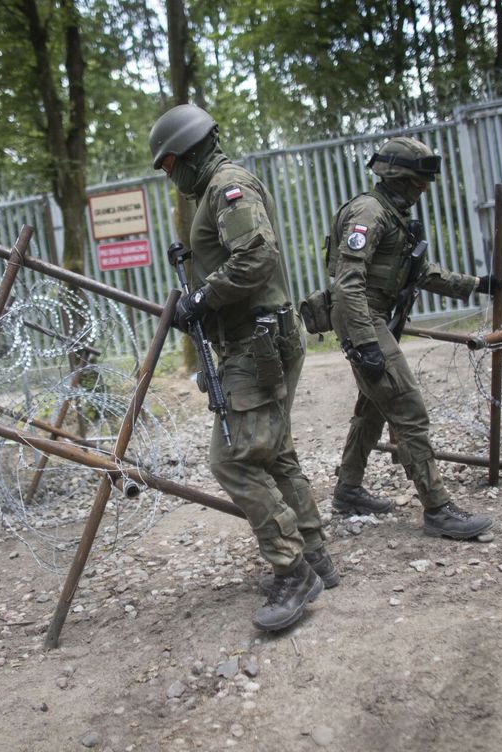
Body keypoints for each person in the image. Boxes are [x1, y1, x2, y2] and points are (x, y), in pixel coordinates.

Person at [149, 104, 337, 632]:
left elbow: (257, 259)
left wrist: (202, 298)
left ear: (186, 153)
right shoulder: (213, 192)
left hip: (256, 343)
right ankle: (316, 555)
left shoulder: (228, 187)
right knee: (274, 450)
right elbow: (234, 261)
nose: (169, 176)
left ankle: (293, 570)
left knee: (231, 460)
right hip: (257, 337)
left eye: (167, 165)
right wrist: (199, 292)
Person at [324, 136, 502, 540]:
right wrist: (367, 342)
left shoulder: (397, 214)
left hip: (372, 319)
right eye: (419, 183)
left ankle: (348, 490)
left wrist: (477, 284)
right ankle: (438, 508)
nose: (423, 190)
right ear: (399, 177)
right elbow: (347, 282)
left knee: (373, 406)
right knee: (407, 406)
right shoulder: (370, 212)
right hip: (361, 318)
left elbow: (420, 272)